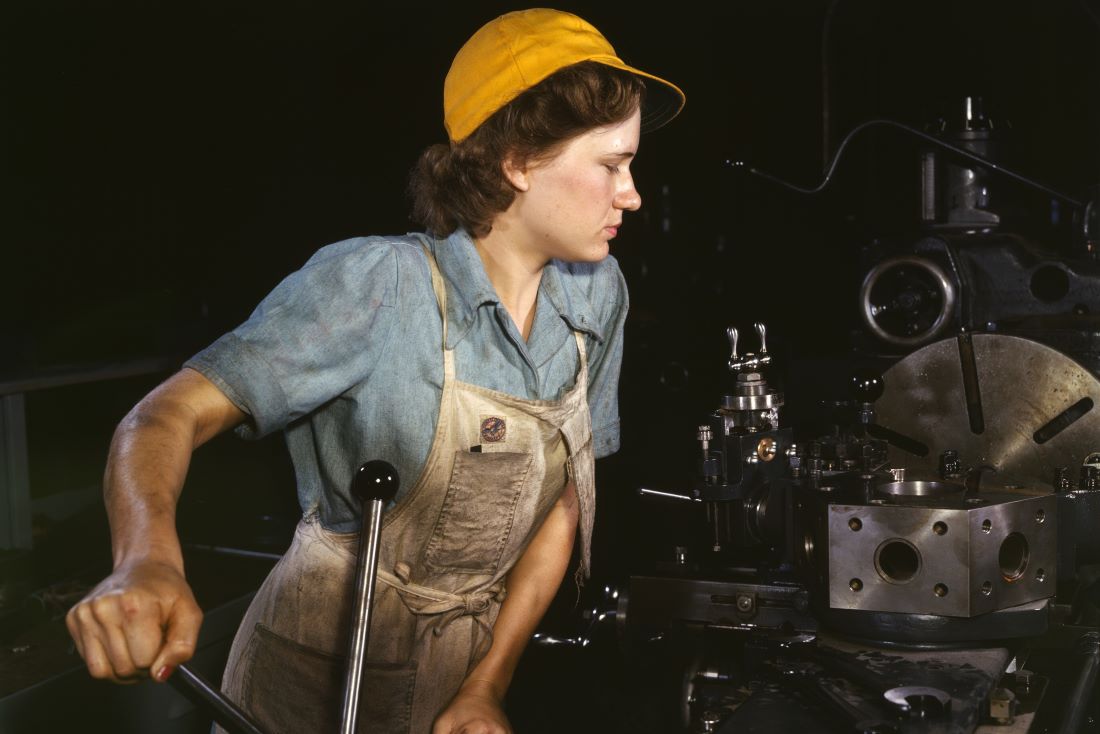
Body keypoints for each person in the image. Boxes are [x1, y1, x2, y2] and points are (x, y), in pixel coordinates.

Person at [65, 8, 684, 733]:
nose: (632, 193)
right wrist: (146, 561)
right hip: (313, 678)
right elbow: (161, 418)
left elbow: (565, 501)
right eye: (611, 164)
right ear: (517, 160)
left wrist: (487, 685)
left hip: (462, 669)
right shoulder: (377, 285)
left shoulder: (595, 292)